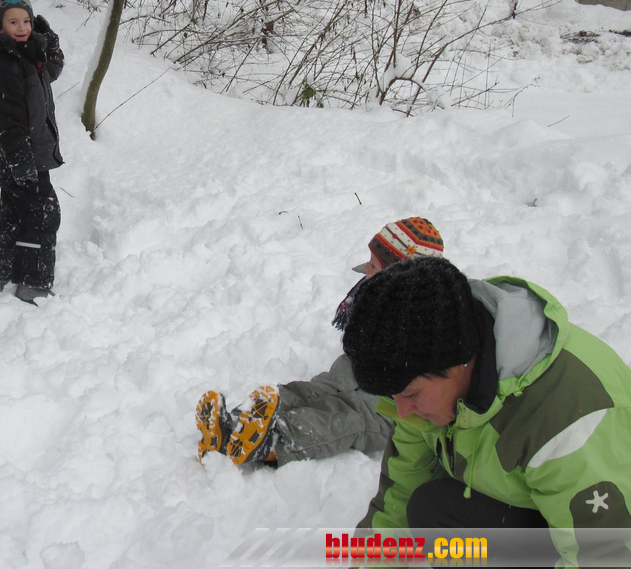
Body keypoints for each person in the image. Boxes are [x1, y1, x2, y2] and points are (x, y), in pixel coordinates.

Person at [338, 255, 631, 565]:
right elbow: (401, 490)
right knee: (433, 509)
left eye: (410, 394)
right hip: (541, 512)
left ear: (458, 362)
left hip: (612, 528)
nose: (403, 410)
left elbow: (605, 556)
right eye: (392, 394)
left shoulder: (565, 421)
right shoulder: (430, 380)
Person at [196, 217, 444, 466]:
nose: (367, 268)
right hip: (354, 372)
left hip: (393, 403)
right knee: (309, 391)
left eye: (374, 265)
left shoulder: (431, 319)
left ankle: (272, 440)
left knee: (345, 418)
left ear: (398, 278)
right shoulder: (373, 292)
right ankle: (234, 424)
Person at [0, 0, 64, 304]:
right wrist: (19, 158)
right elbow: (3, 120)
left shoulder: (27, 55)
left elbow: (52, 69)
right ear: (0, 26)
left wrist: (50, 42)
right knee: (42, 214)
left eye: (26, 20)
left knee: (14, 213)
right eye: (13, 22)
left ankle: (4, 269)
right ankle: (32, 283)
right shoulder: (2, 65)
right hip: (19, 154)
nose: (22, 27)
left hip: (23, 154)